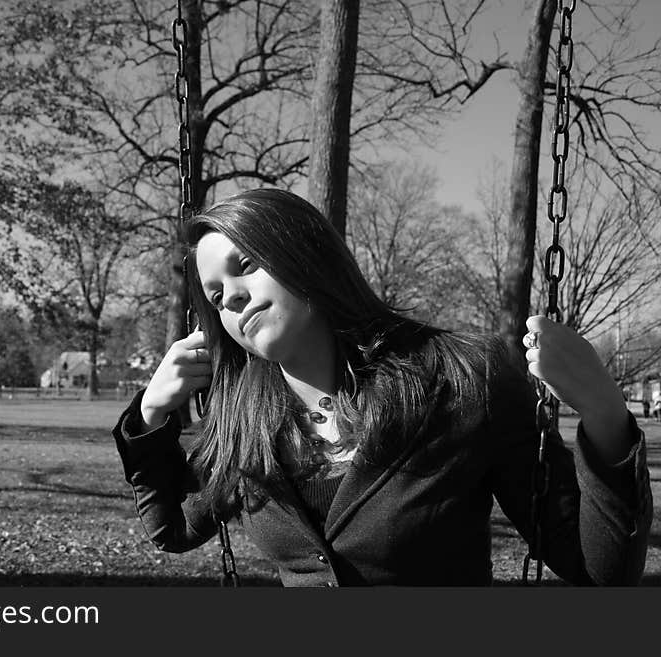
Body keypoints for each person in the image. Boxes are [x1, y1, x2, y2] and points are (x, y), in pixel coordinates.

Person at [112, 188, 651, 586]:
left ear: (305, 254)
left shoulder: (460, 379)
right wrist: (151, 414)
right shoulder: (244, 415)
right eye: (214, 293)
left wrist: (605, 415)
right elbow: (176, 527)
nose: (229, 298)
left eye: (245, 265)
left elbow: (597, 569)